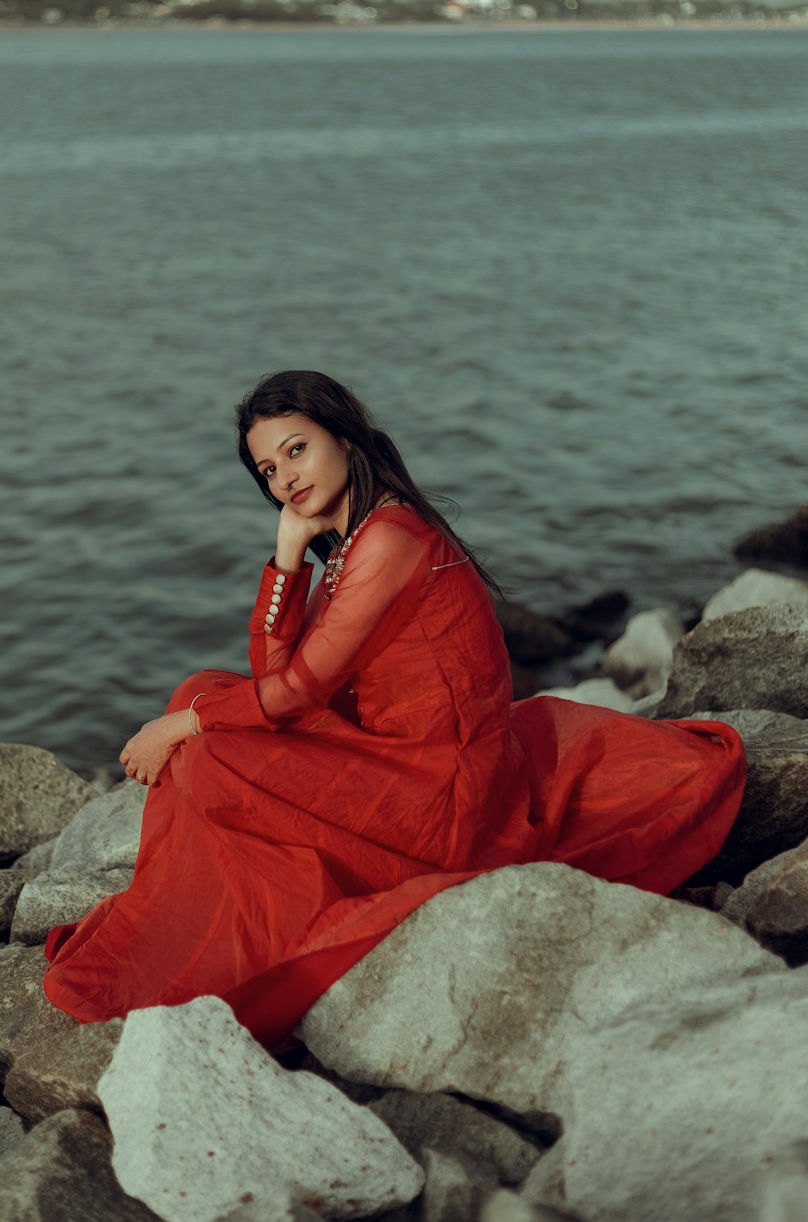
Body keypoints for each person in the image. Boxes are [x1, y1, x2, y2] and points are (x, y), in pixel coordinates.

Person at [43, 370, 745, 1049]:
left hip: (440, 796)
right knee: (199, 686)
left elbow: (291, 695)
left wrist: (183, 728)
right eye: (267, 470)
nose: (285, 477)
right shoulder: (351, 546)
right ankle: (215, 904)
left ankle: (249, 921)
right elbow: (274, 674)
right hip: (392, 756)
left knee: (207, 746)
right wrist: (287, 555)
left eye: (296, 449)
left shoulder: (390, 541)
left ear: (345, 439)